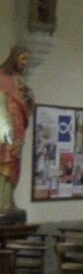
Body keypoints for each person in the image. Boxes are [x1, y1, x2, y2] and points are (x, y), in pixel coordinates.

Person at [0, 46, 34, 213]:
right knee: (5, 162)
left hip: (18, 128)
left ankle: (9, 202)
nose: (25, 63)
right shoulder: (2, 76)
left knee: (14, 164)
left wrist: (28, 97)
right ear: (14, 58)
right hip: (5, 130)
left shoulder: (18, 78)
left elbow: (25, 103)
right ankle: (3, 203)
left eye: (27, 60)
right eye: (23, 59)